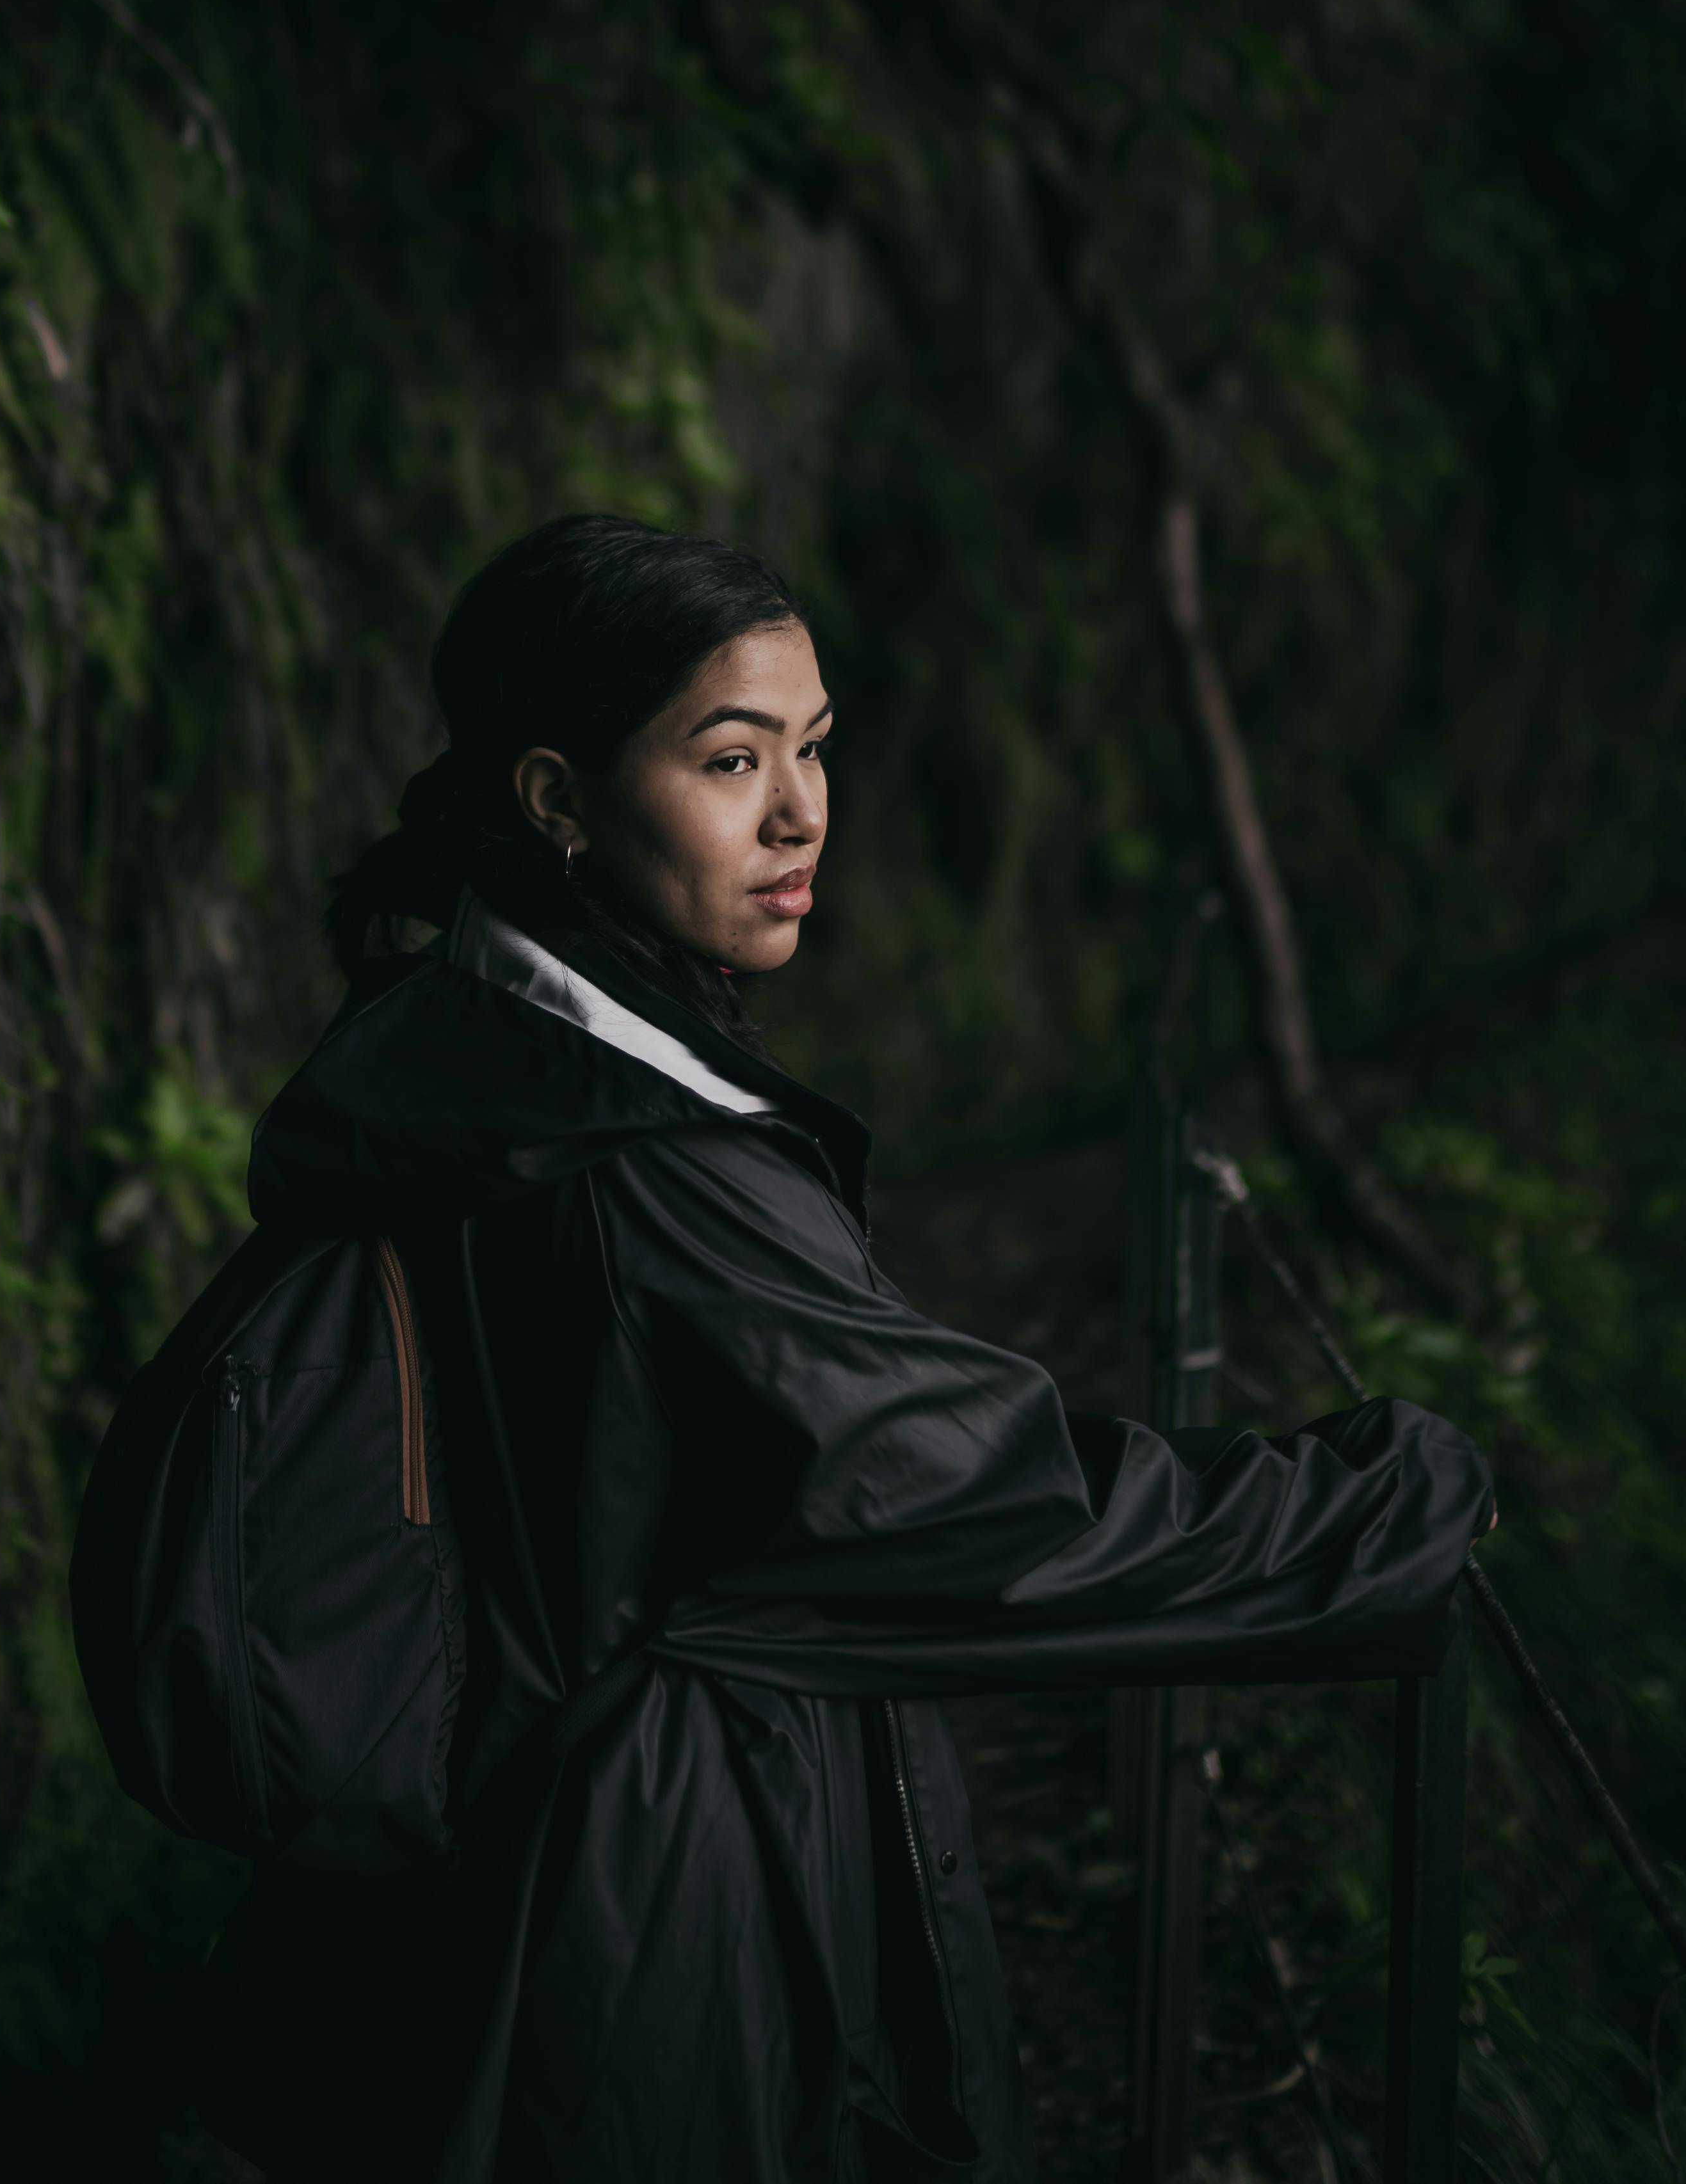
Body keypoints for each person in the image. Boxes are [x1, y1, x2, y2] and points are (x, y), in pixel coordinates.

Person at [208, 516, 1491, 2183]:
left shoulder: (473, 1041)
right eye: (732, 759)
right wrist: (1386, 1502)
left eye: (815, 749)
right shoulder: (640, 1170)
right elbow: (969, 1502)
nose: (804, 812)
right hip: (667, 1922)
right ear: (558, 799)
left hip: (544, 1872)